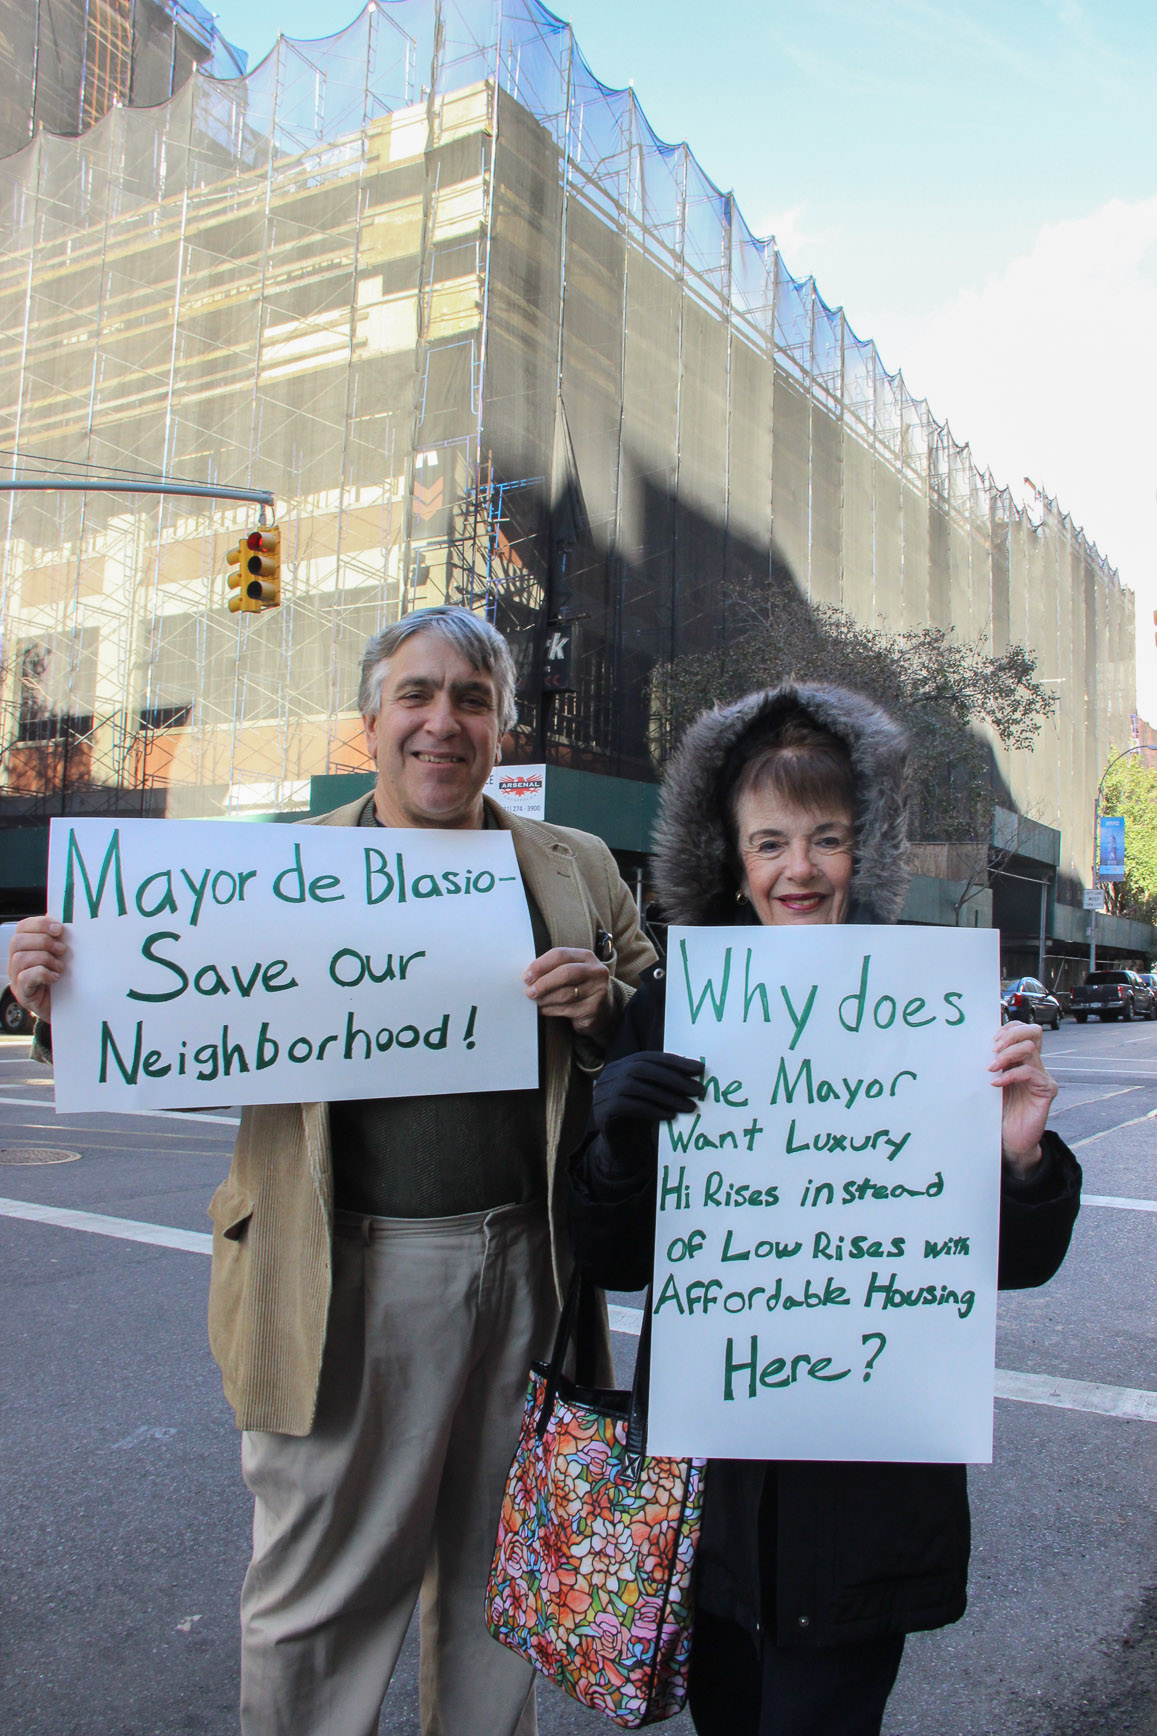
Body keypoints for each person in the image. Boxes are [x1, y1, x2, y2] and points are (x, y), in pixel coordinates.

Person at [7, 605, 655, 1736]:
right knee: (317, 1593)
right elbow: (149, 1015)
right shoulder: (280, 870)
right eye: (415, 694)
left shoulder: (577, 865)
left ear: (501, 727)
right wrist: (56, 989)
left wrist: (610, 1008)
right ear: (369, 722)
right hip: (341, 1269)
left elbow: (664, 1036)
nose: (440, 722)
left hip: (531, 1270)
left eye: (470, 698)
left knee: (497, 1582)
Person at [568, 683, 1081, 1736]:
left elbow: (1008, 1261)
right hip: (708, 1485)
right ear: (729, 858)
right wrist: (613, 1137)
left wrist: (1021, 1159)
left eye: (825, 838)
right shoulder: (671, 1007)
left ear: (865, 850)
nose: (796, 868)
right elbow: (615, 1258)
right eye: (768, 842)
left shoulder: (921, 1006)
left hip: (863, 1487)